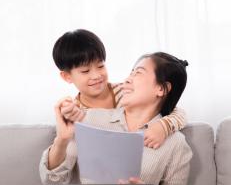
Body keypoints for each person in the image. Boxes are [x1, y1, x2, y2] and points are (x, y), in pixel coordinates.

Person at [40, 52, 192, 185]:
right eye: (130, 73)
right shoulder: (89, 119)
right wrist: (62, 139)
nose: (126, 80)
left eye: (138, 73)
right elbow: (54, 181)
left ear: (161, 88)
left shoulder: (175, 144)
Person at [52, 29, 187, 149]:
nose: (96, 75)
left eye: (100, 66)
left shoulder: (125, 92)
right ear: (67, 76)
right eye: (85, 71)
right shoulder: (77, 112)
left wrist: (163, 127)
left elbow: (176, 111)